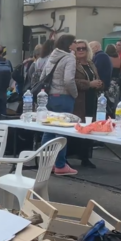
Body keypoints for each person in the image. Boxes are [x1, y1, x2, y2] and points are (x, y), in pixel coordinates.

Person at [40, 34, 78, 176]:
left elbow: (43, 75)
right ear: (69, 45)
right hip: (64, 96)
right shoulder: (69, 58)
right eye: (75, 42)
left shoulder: (52, 56)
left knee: (48, 130)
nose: (76, 44)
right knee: (62, 132)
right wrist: (74, 94)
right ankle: (60, 164)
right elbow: (68, 80)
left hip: (50, 97)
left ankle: (46, 163)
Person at [71, 40, 102, 168]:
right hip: (78, 99)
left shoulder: (90, 64)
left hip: (91, 98)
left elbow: (96, 77)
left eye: (84, 48)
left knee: (89, 127)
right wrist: (88, 84)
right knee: (76, 128)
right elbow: (70, 81)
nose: (81, 50)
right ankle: (69, 156)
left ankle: (85, 157)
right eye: (78, 48)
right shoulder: (72, 63)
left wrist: (99, 84)